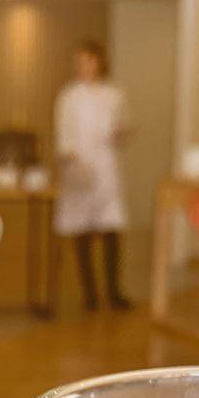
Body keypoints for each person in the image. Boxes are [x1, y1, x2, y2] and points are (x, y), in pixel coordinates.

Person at [54, 39, 131, 312]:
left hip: (107, 167)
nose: (82, 67)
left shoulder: (114, 95)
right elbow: (64, 138)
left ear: (99, 62)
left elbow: (123, 128)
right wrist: (75, 165)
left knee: (111, 230)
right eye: (79, 62)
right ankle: (90, 295)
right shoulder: (68, 97)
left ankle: (114, 291)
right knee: (82, 233)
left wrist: (121, 134)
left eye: (87, 61)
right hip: (80, 168)